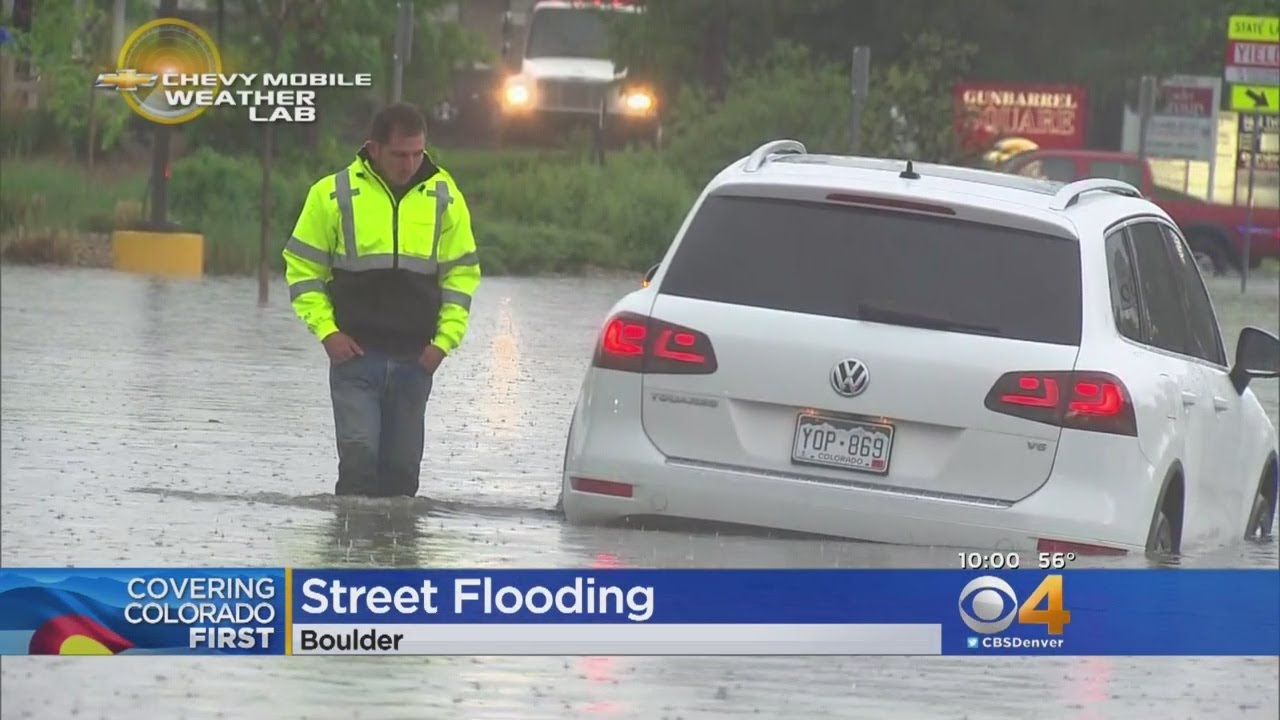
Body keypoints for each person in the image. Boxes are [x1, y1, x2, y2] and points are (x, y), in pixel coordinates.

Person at [283, 103, 480, 498]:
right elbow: (303, 271)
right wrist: (328, 333)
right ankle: (349, 552)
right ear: (373, 149)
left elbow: (462, 275)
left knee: (402, 475)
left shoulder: (445, 195)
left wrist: (444, 344)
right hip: (355, 357)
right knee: (359, 460)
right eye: (399, 154)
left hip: (416, 359)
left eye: (417, 153)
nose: (409, 164)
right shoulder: (332, 194)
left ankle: (396, 556)